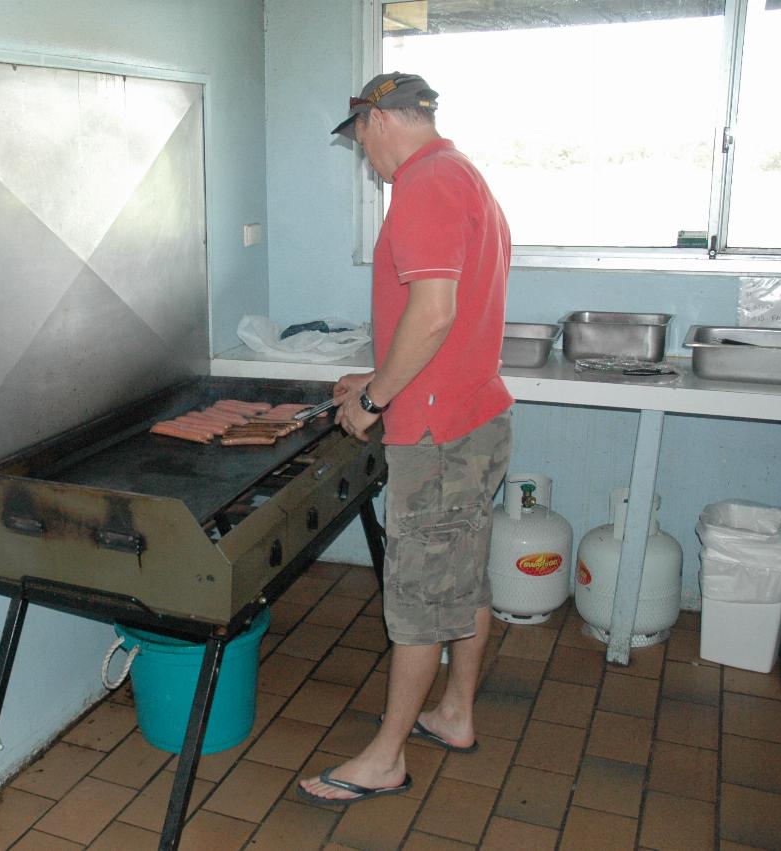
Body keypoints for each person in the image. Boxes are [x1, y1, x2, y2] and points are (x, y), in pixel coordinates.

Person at [298, 72, 513, 805]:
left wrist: (373, 397)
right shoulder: (464, 176)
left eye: (360, 139)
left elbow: (433, 312)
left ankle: (386, 757)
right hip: (471, 414)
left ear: (376, 120)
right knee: (463, 570)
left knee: (419, 592)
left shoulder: (422, 184)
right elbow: (437, 321)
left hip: (438, 432)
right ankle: (454, 710)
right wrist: (375, 370)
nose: (364, 156)